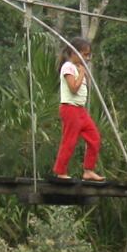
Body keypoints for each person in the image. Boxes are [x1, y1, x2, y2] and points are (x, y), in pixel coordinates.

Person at [53, 39, 102, 179]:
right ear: (75, 53)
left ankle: (88, 170)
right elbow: (73, 88)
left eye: (88, 55)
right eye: (84, 55)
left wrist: (82, 72)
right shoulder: (68, 67)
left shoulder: (78, 67)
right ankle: (60, 171)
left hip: (80, 110)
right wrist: (81, 73)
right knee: (70, 140)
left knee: (95, 138)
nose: (86, 58)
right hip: (70, 108)